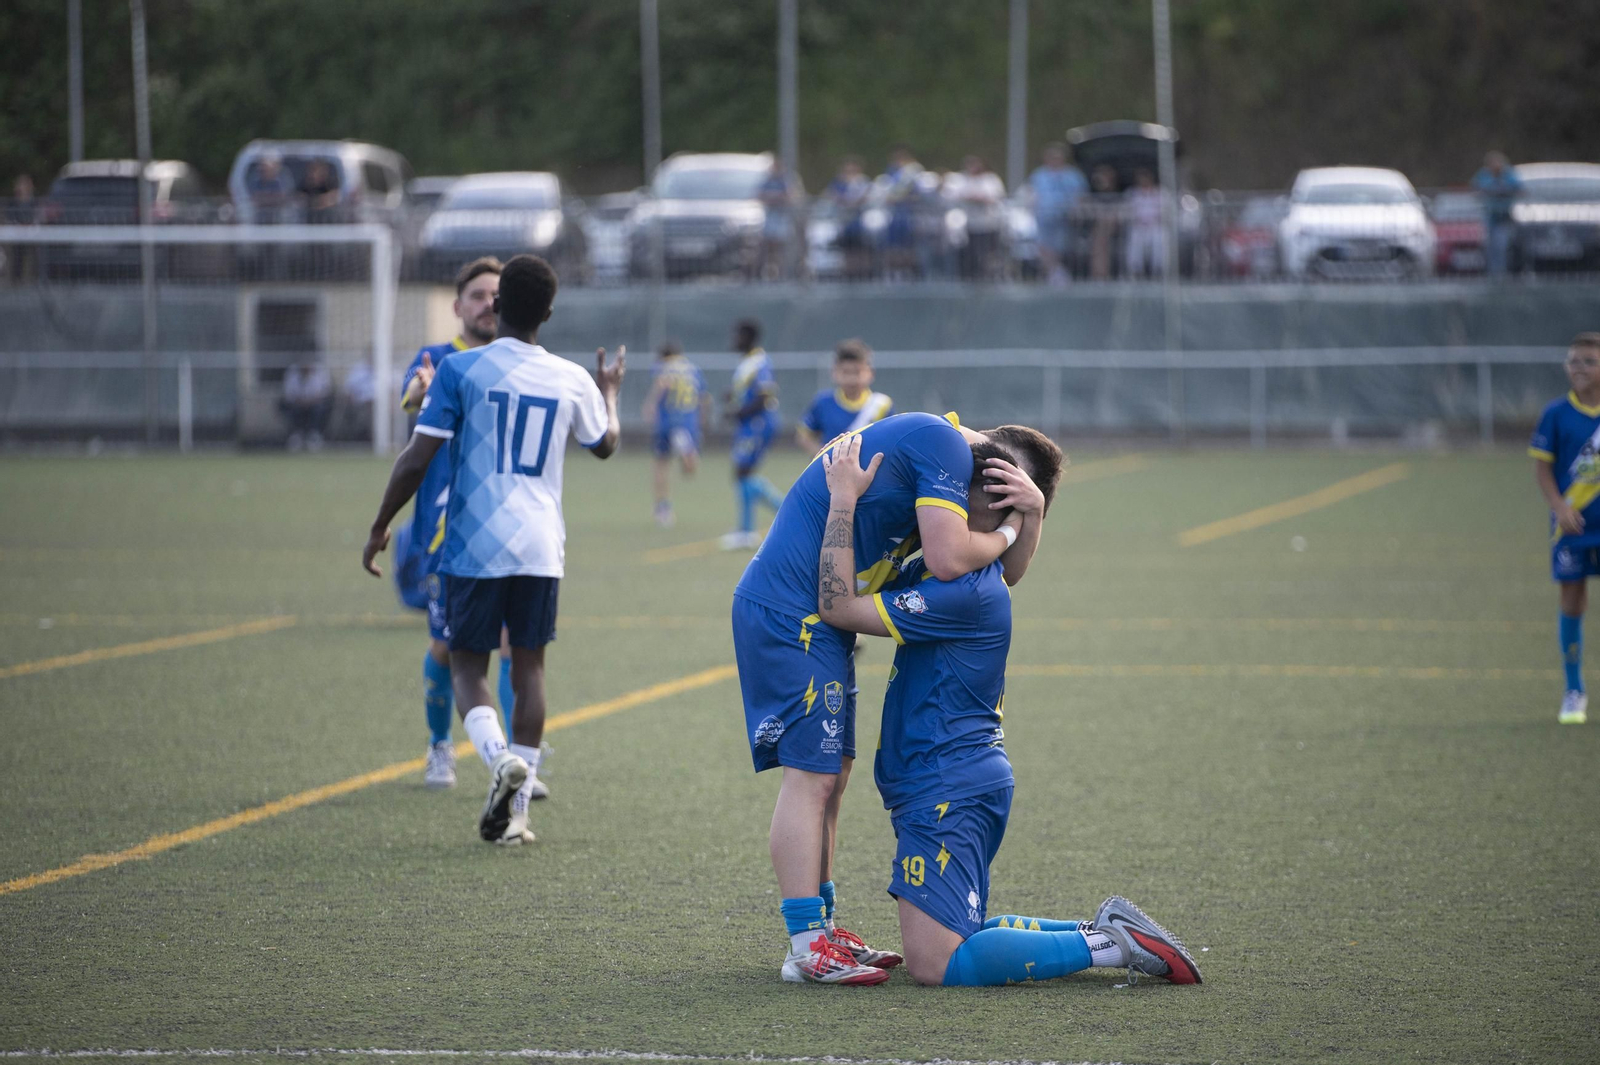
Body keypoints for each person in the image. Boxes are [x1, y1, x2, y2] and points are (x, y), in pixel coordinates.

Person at [814, 432, 1201, 988]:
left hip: (946, 786)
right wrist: (1027, 518)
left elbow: (837, 605)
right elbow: (1009, 565)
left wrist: (843, 501)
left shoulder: (962, 592)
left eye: (964, 484)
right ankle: (1100, 931)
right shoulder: (959, 572)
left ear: (992, 500)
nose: (945, 491)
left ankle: (1109, 945)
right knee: (963, 935)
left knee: (936, 964)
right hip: (956, 781)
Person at [732, 409, 1049, 984]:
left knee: (834, 776)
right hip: (790, 610)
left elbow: (1001, 574)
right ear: (986, 472)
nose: (1001, 517)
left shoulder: (945, 458)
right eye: (1003, 499)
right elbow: (951, 560)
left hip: (821, 616)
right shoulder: (945, 448)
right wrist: (1012, 527)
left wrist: (1033, 512)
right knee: (811, 779)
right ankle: (806, 945)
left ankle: (824, 930)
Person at [362, 255, 624, 846]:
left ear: (498, 303)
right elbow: (605, 444)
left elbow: (417, 458)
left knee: (466, 665)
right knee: (529, 668)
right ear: (548, 314)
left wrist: (380, 525)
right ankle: (518, 808)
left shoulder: (461, 369)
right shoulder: (570, 376)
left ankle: (498, 757)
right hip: (541, 545)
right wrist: (609, 393)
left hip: (474, 542)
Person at [393, 257, 521, 789]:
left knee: (514, 642)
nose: (488, 304)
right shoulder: (437, 360)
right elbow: (410, 398)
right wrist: (421, 394)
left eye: (496, 295)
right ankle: (439, 744)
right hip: (447, 535)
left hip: (506, 530)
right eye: (477, 295)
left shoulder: (516, 361)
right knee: (447, 647)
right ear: (457, 306)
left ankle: (514, 754)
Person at [1529, 332, 1600, 725]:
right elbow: (1542, 468)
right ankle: (1574, 690)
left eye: (1589, 361)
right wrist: (1559, 507)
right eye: (1574, 361)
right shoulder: (1556, 413)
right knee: (1572, 600)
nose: (1580, 368)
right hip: (1571, 530)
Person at [721, 319, 784, 550]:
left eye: (738, 335)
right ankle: (747, 529)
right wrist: (733, 397)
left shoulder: (759, 362)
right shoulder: (747, 362)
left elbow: (764, 395)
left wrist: (738, 412)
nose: (734, 340)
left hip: (758, 423)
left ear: (749, 337)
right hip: (749, 424)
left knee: (743, 472)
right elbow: (747, 392)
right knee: (742, 474)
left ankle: (753, 528)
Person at [643, 341, 707, 527]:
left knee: (661, 465)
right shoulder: (693, 369)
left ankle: (662, 508)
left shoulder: (665, 366)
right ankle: (664, 506)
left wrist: (650, 405)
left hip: (670, 420)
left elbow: (662, 384)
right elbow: (703, 398)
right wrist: (702, 419)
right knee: (687, 467)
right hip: (687, 422)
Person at [796, 339, 892, 453]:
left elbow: (890, 440)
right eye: (845, 372)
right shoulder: (823, 402)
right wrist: (823, 455)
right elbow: (804, 435)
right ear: (834, 372)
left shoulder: (882, 404)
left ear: (871, 373)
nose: (851, 378)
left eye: (857, 372)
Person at [1029, 144, 1087, 285]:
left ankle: (1059, 271)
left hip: (1065, 216)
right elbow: (1032, 193)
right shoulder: (1039, 175)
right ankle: (1055, 272)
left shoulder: (1073, 175)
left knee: (1062, 245)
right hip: (1044, 216)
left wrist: (1076, 210)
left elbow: (1081, 195)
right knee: (1044, 245)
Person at [945, 157, 1006, 281]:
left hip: (988, 224)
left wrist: (980, 198)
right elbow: (952, 196)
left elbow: (997, 197)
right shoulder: (960, 179)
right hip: (968, 225)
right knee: (969, 254)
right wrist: (969, 197)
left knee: (988, 253)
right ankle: (969, 277)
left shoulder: (990, 179)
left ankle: (987, 276)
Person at [1473, 151, 1523, 279]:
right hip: (1490, 217)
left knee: (1502, 246)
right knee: (1490, 247)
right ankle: (1492, 273)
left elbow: (1519, 189)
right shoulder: (1484, 175)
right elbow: (1477, 188)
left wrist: (1503, 190)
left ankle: (1502, 273)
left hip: (1504, 217)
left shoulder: (1509, 175)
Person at [825, 158, 873, 279]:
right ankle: (850, 274)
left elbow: (865, 197)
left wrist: (850, 202)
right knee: (847, 249)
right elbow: (832, 195)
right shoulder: (838, 182)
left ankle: (864, 274)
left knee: (861, 248)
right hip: (844, 223)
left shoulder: (863, 182)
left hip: (859, 222)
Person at [279, 358, 332, 450]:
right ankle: (296, 435)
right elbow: (289, 395)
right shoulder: (292, 374)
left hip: (314, 404)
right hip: (297, 404)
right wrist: (302, 402)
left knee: (320, 409)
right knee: (291, 409)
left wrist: (309, 402)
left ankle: (314, 435)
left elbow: (322, 393)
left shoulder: (319, 373)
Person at [758, 160, 798, 281]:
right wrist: (773, 197)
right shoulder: (768, 181)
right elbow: (760, 195)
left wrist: (777, 197)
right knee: (769, 244)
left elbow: (791, 196)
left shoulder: (785, 181)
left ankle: (783, 272)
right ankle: (770, 271)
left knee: (781, 245)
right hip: (770, 217)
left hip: (782, 218)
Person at [1123, 168, 1165, 279]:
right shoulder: (1132, 193)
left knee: (1159, 239)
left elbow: (1166, 212)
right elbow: (1127, 211)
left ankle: (1159, 270)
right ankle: (1135, 271)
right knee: (1134, 239)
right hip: (1138, 227)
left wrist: (1156, 220)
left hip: (1156, 226)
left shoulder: (1160, 193)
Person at [1087, 164, 1120, 280]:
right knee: (1098, 244)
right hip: (1096, 229)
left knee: (1101, 242)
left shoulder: (1117, 194)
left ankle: (1102, 274)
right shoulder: (1092, 194)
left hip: (1114, 229)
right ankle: (1098, 274)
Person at [246, 152, 297, 224]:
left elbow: (284, 197)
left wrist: (267, 198)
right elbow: (254, 198)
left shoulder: (283, 181)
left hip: (280, 216)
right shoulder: (255, 181)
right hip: (259, 217)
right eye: (263, 169)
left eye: (266, 169)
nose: (264, 171)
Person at [300, 158, 341, 224]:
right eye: (312, 170)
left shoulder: (330, 184)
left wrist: (317, 202)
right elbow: (300, 199)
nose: (313, 174)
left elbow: (334, 197)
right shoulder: (305, 185)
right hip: (308, 222)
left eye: (316, 170)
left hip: (328, 222)